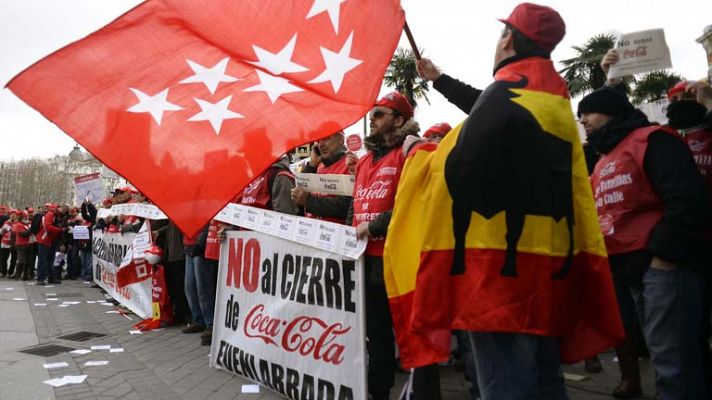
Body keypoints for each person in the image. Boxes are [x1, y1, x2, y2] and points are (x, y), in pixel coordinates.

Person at [579, 85, 710, 399]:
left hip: (662, 267)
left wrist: (662, 257)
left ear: (611, 110)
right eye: (580, 115)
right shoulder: (603, 159)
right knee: (666, 353)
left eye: (588, 113)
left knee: (672, 358)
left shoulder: (652, 139)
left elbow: (686, 199)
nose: (583, 120)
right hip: (630, 270)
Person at [349, 91, 418, 400]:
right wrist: (350, 230)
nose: (372, 119)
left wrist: (373, 226)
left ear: (399, 120)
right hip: (365, 258)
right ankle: (379, 391)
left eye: (379, 114)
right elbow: (355, 204)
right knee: (374, 332)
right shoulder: (364, 160)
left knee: (408, 330)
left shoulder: (407, 153)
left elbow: (409, 204)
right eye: (372, 113)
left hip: (396, 257)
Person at [290, 131, 353, 224]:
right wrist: (311, 166)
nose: (321, 144)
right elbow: (299, 197)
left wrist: (309, 201)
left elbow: (347, 206)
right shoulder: (318, 165)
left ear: (340, 140)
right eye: (319, 140)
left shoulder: (350, 165)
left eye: (326, 138)